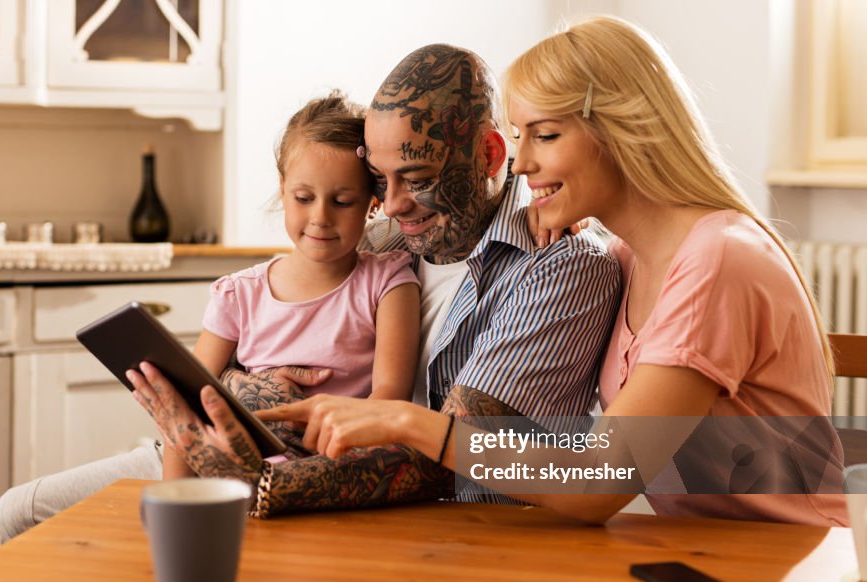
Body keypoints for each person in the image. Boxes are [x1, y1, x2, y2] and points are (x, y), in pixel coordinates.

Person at [257, 17, 848, 526]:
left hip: (791, 565)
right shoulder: (628, 255)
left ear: (622, 129)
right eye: (519, 137)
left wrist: (406, 422)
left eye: (545, 135)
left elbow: (598, 481)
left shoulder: (716, 261)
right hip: (700, 554)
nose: (521, 161)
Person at [123, 43, 619, 518]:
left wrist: (260, 481)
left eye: (418, 179)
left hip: (416, 520)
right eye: (379, 180)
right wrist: (236, 389)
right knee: (43, 505)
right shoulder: (383, 241)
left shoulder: (558, 263)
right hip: (242, 461)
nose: (394, 204)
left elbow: (458, 449)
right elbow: (261, 322)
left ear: (490, 155)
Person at [164, 93, 421, 480]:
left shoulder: (388, 284)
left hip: (330, 475)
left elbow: (388, 402)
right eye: (304, 198)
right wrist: (175, 499)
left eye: (343, 201)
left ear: (372, 202)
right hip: (231, 471)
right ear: (283, 189)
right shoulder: (239, 294)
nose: (320, 217)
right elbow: (185, 405)